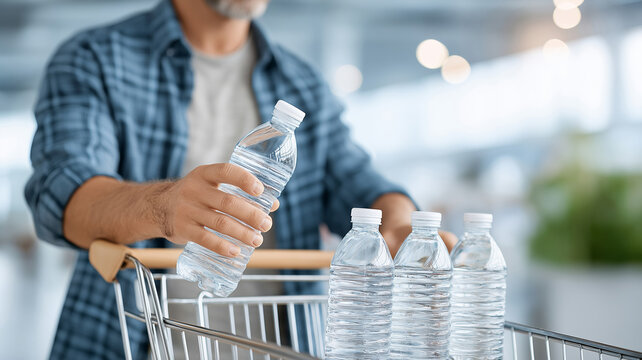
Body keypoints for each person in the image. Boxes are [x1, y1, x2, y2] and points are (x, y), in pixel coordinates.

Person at [25, 0, 457, 358]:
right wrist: (165, 206)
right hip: (122, 345)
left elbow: (361, 184)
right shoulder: (94, 59)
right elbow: (62, 195)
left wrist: (401, 226)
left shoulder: (303, 86)